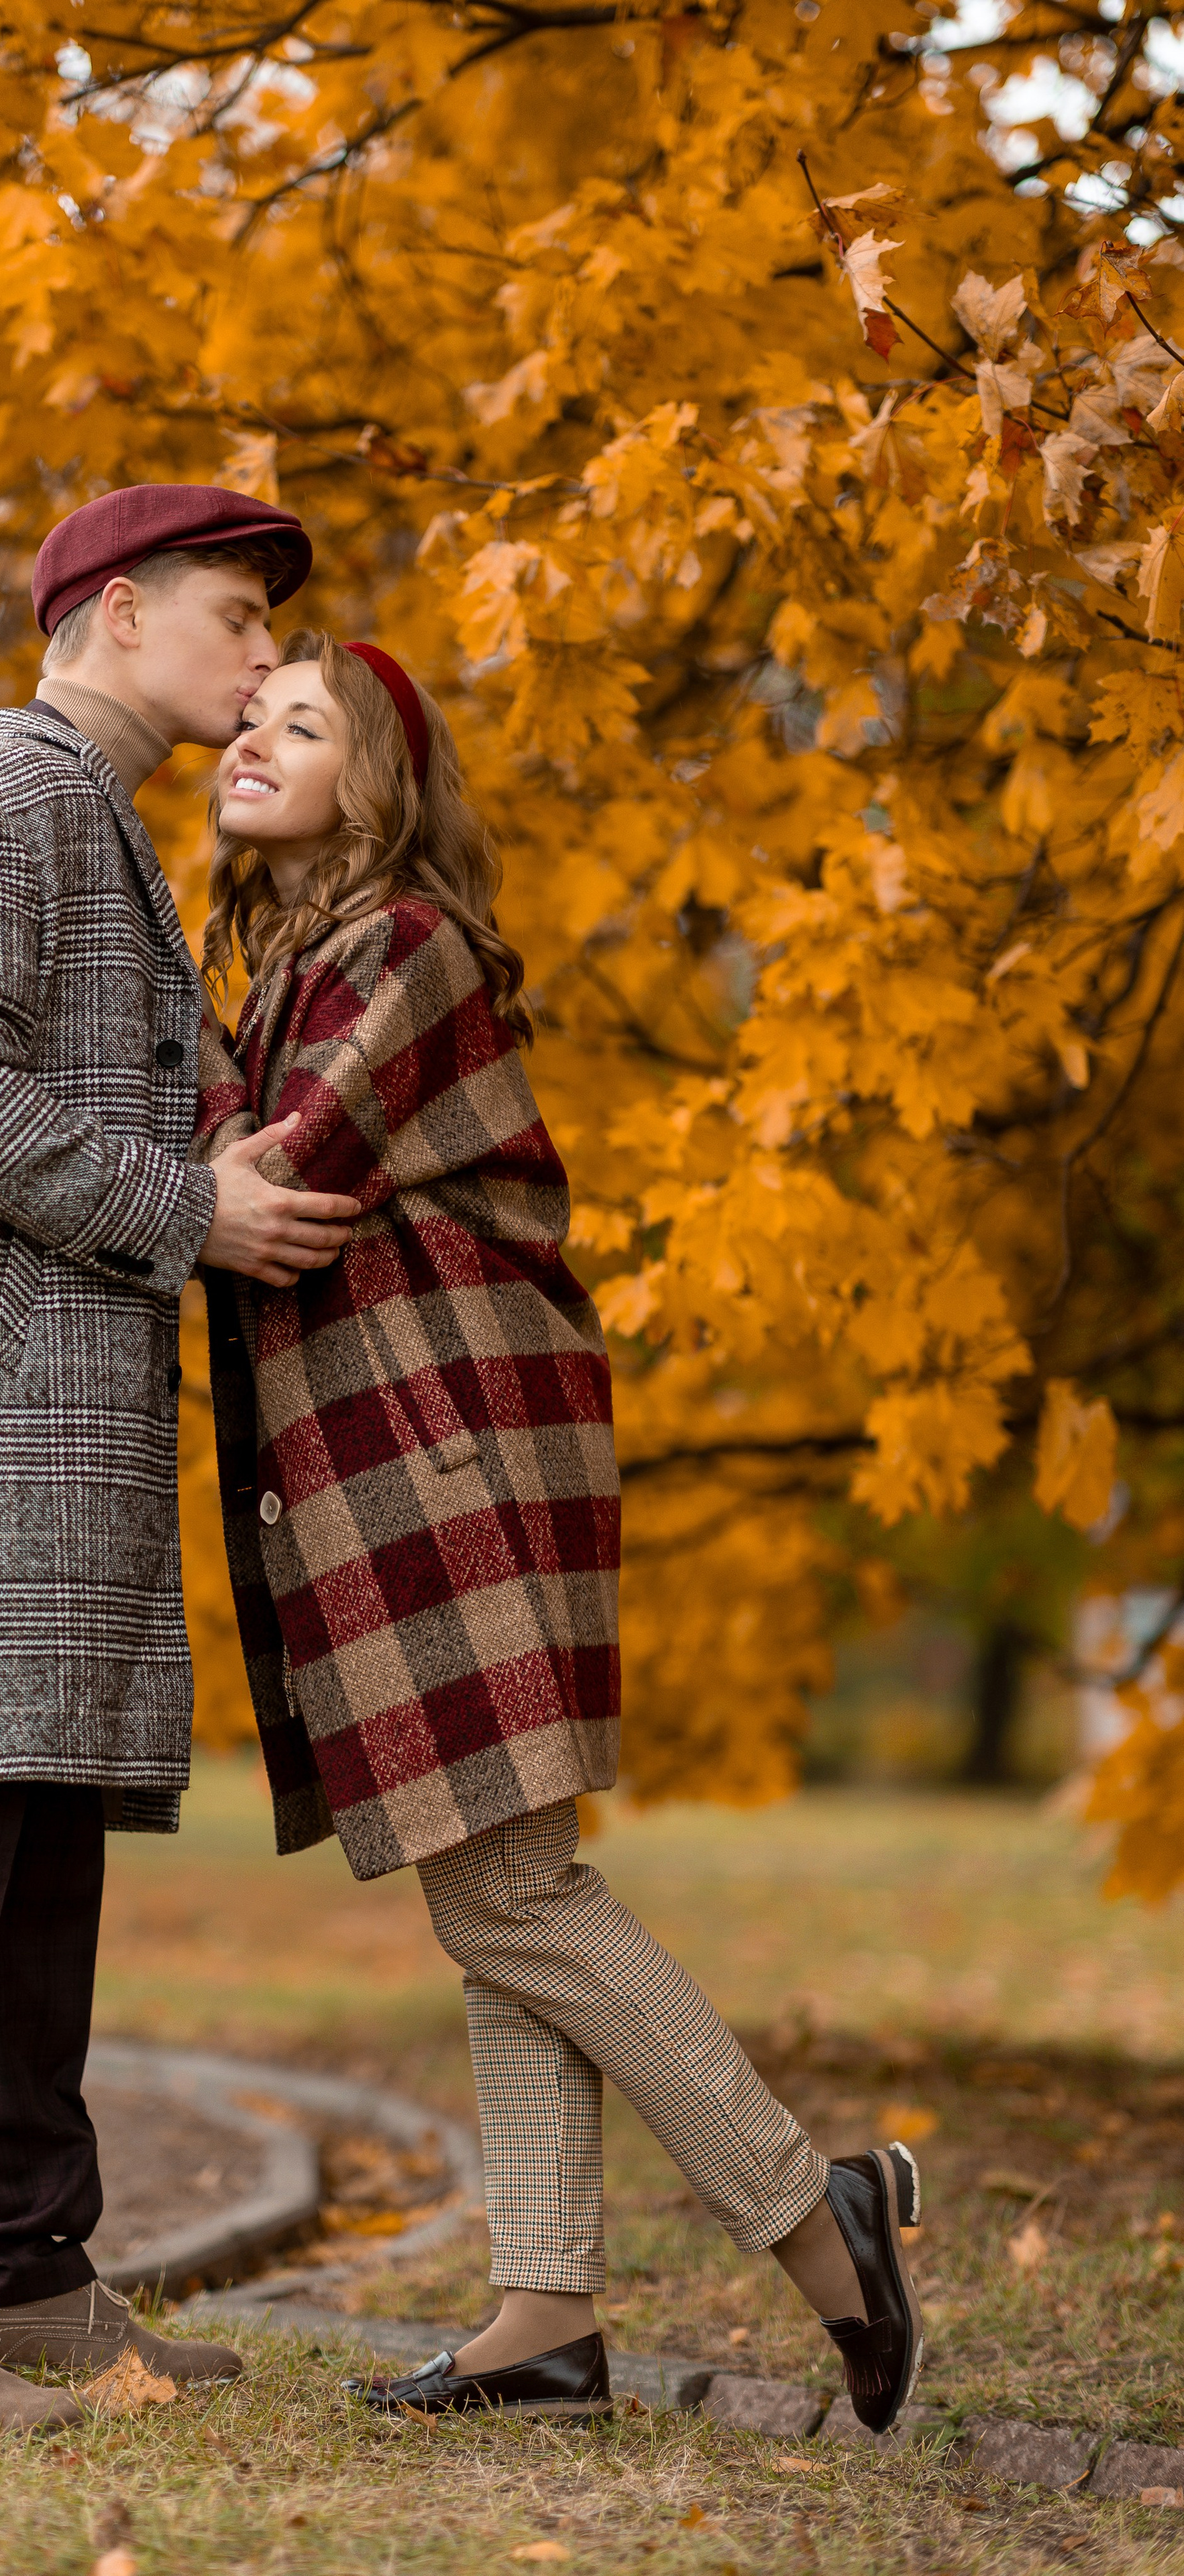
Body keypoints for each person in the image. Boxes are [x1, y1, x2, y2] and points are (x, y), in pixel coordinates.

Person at [191, 630, 924, 2430]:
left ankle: (808, 2208)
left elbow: (280, 1175)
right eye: (247, 716)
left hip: (447, 1457)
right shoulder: (290, 968)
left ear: (378, 787)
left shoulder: (410, 952)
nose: (252, 739)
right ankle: (546, 2317)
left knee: (514, 1890)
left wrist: (163, 1056)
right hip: (393, 1463)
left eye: (305, 724)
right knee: (493, 1889)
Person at [0, 487, 364, 2436]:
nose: (265, 659)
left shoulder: (96, 829)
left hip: (53, 1421)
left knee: (29, 1845)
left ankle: (26, 2278)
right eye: (235, 615)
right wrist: (179, 1209)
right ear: (117, 614)